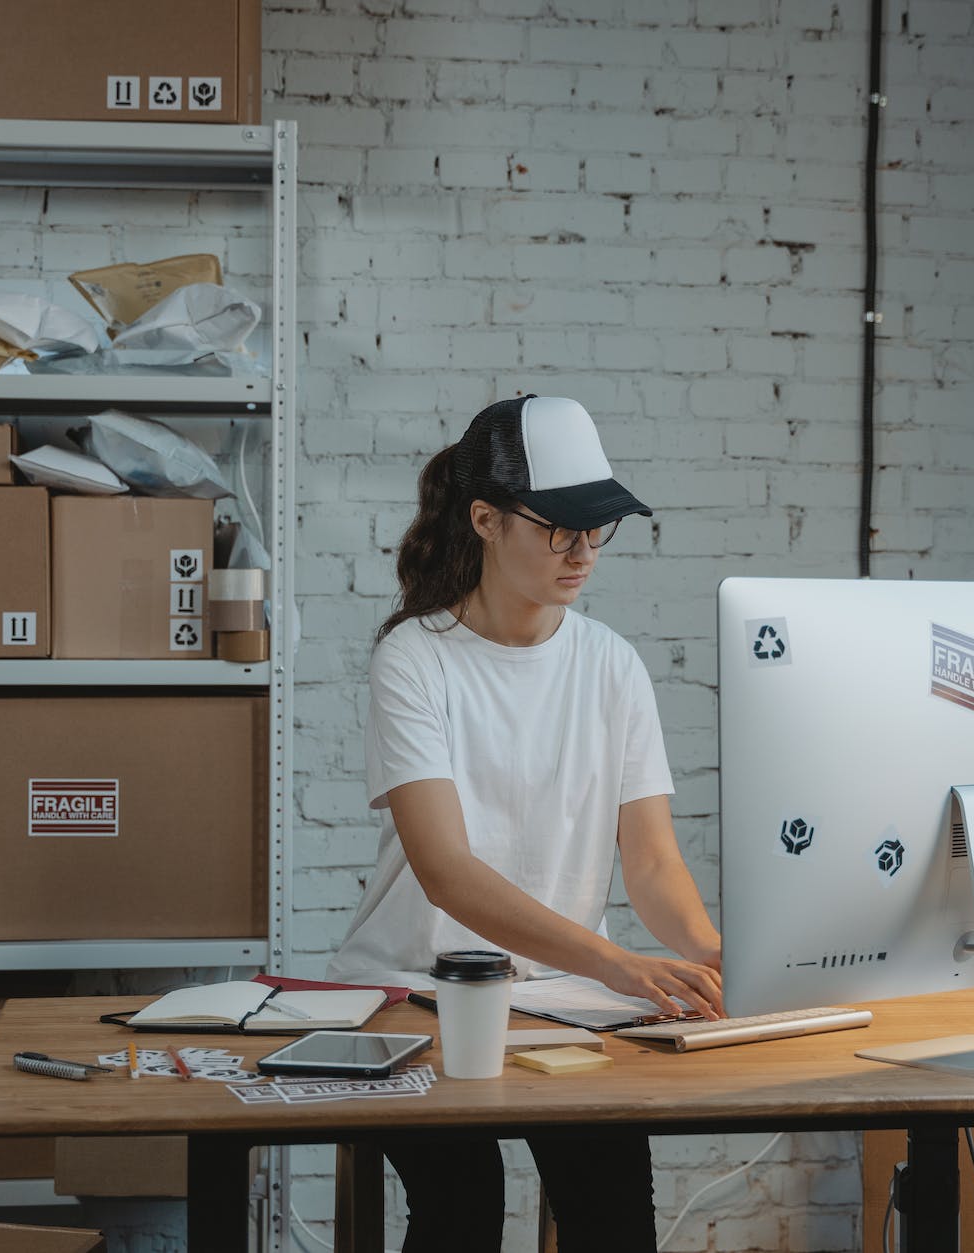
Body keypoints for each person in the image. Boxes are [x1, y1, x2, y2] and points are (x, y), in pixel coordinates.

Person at [328, 395, 727, 1252]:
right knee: (462, 1206)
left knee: (615, 1200)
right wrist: (616, 963)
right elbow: (447, 870)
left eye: (598, 528)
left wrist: (713, 952)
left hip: (563, 998)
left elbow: (652, 861)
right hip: (415, 994)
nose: (583, 552)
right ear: (485, 519)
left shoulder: (611, 665)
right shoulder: (416, 657)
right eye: (559, 528)